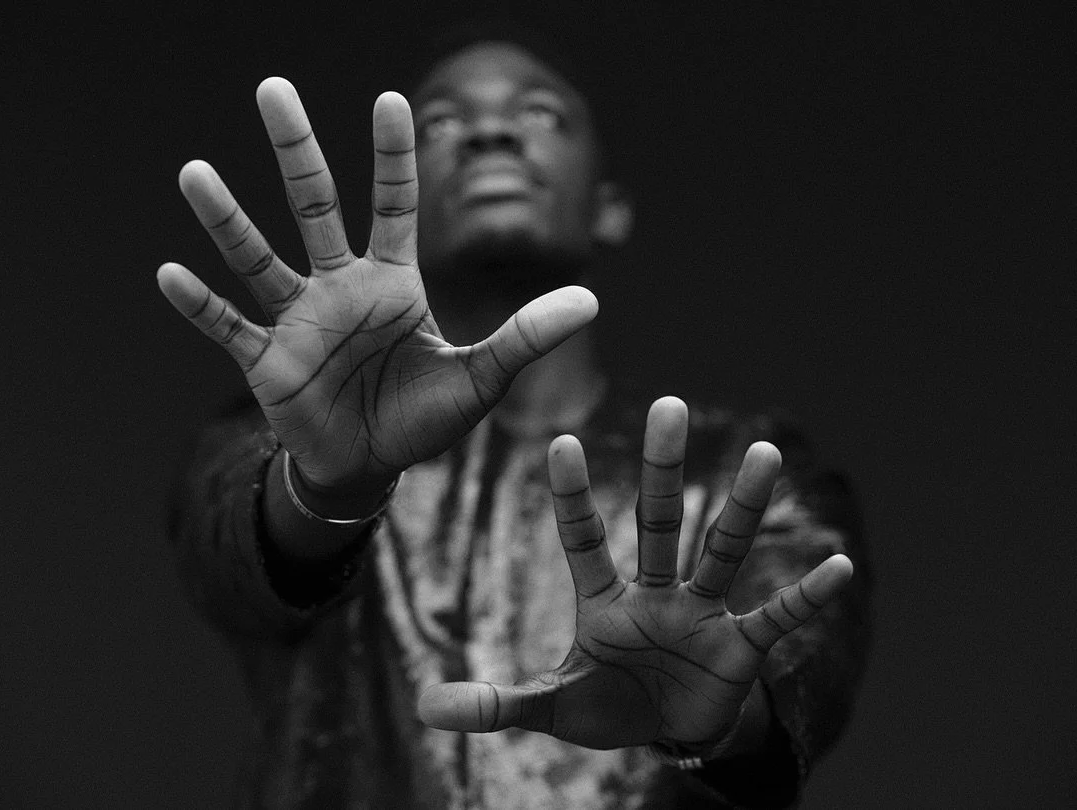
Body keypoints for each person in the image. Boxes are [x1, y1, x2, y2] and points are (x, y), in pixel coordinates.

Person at [158, 32, 871, 810]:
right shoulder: (270, 443)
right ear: (405, 206)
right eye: (441, 122)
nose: (490, 131)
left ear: (610, 209)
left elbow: (804, 658)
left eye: (539, 114)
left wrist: (720, 717)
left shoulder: (742, 469)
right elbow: (226, 561)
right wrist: (328, 487)